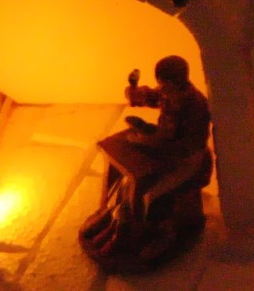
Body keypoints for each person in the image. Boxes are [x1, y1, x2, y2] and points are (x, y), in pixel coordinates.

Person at [80, 55, 212, 269]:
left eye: (164, 84)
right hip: (165, 150)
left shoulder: (195, 106)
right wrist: (133, 92)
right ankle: (116, 224)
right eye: (160, 83)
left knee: (153, 194)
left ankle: (163, 236)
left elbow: (183, 146)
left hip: (187, 161)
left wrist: (147, 140)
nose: (162, 88)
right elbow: (152, 96)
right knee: (127, 183)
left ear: (177, 81)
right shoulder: (169, 93)